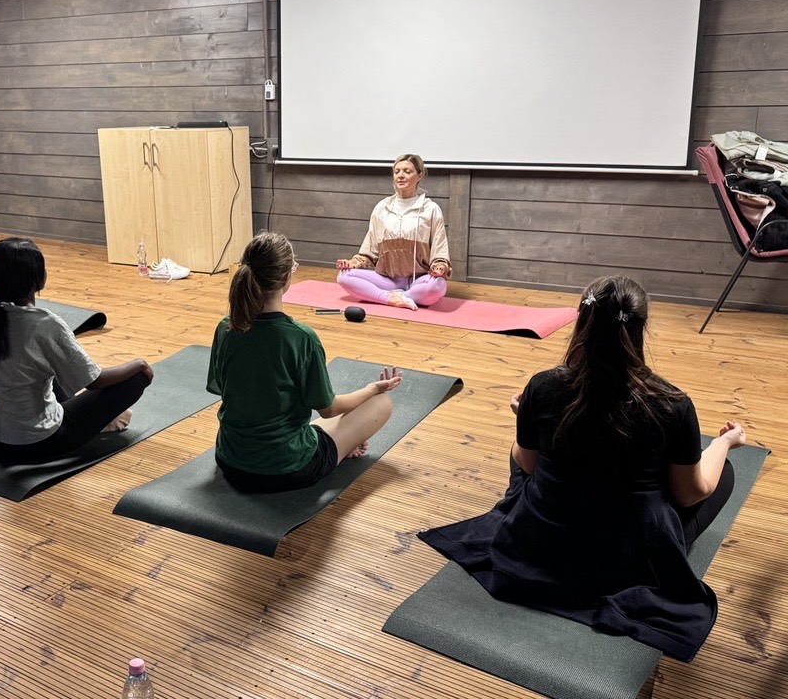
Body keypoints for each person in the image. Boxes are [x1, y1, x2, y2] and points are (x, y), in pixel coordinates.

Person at [419, 275, 744, 662]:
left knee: (525, 453)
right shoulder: (673, 405)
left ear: (580, 323)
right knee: (724, 475)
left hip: (541, 548)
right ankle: (660, 553)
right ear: (640, 328)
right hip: (625, 561)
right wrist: (722, 443)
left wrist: (530, 421)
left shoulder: (543, 386)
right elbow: (691, 492)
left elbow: (527, 463)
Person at [208, 230, 403, 493]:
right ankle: (341, 448)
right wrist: (373, 389)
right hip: (288, 469)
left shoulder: (226, 327)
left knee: (315, 427)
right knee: (380, 403)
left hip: (231, 461)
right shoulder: (301, 339)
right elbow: (329, 409)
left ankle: (340, 445)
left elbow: (223, 387)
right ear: (287, 276)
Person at [0, 237, 153, 461]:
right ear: (39, 279)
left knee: (47, 367)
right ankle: (99, 420)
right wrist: (138, 364)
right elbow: (94, 381)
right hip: (39, 442)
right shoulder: (45, 324)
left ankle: (94, 417)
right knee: (137, 378)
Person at [336, 153, 451, 310]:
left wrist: (440, 267)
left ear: (420, 175)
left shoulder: (431, 209)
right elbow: (369, 252)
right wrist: (352, 263)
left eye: (407, 171)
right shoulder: (382, 208)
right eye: (397, 172)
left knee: (438, 285)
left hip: (418, 280)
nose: (401, 176)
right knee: (344, 276)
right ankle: (392, 299)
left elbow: (440, 249)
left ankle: (397, 296)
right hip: (387, 280)